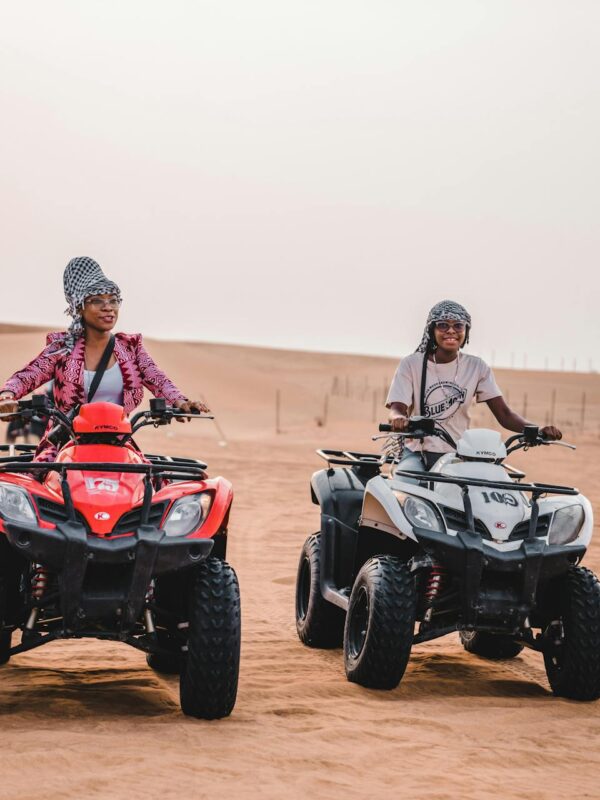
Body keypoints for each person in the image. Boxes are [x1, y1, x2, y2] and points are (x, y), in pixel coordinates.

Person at [0, 257, 208, 461]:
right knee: (39, 487)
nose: (108, 307)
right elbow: (27, 376)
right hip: (66, 445)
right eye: (97, 300)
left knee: (150, 488)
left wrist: (180, 402)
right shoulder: (62, 348)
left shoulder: (131, 349)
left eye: (113, 300)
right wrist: (7, 396)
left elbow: (159, 380)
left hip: (118, 444)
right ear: (79, 306)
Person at [386, 299, 561, 473]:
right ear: (432, 330)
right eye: (443, 325)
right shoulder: (412, 364)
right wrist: (398, 419)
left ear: (466, 331)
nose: (451, 331)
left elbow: (505, 414)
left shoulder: (476, 367)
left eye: (458, 326)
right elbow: (397, 408)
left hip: (459, 454)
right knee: (407, 484)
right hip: (418, 452)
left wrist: (536, 430)